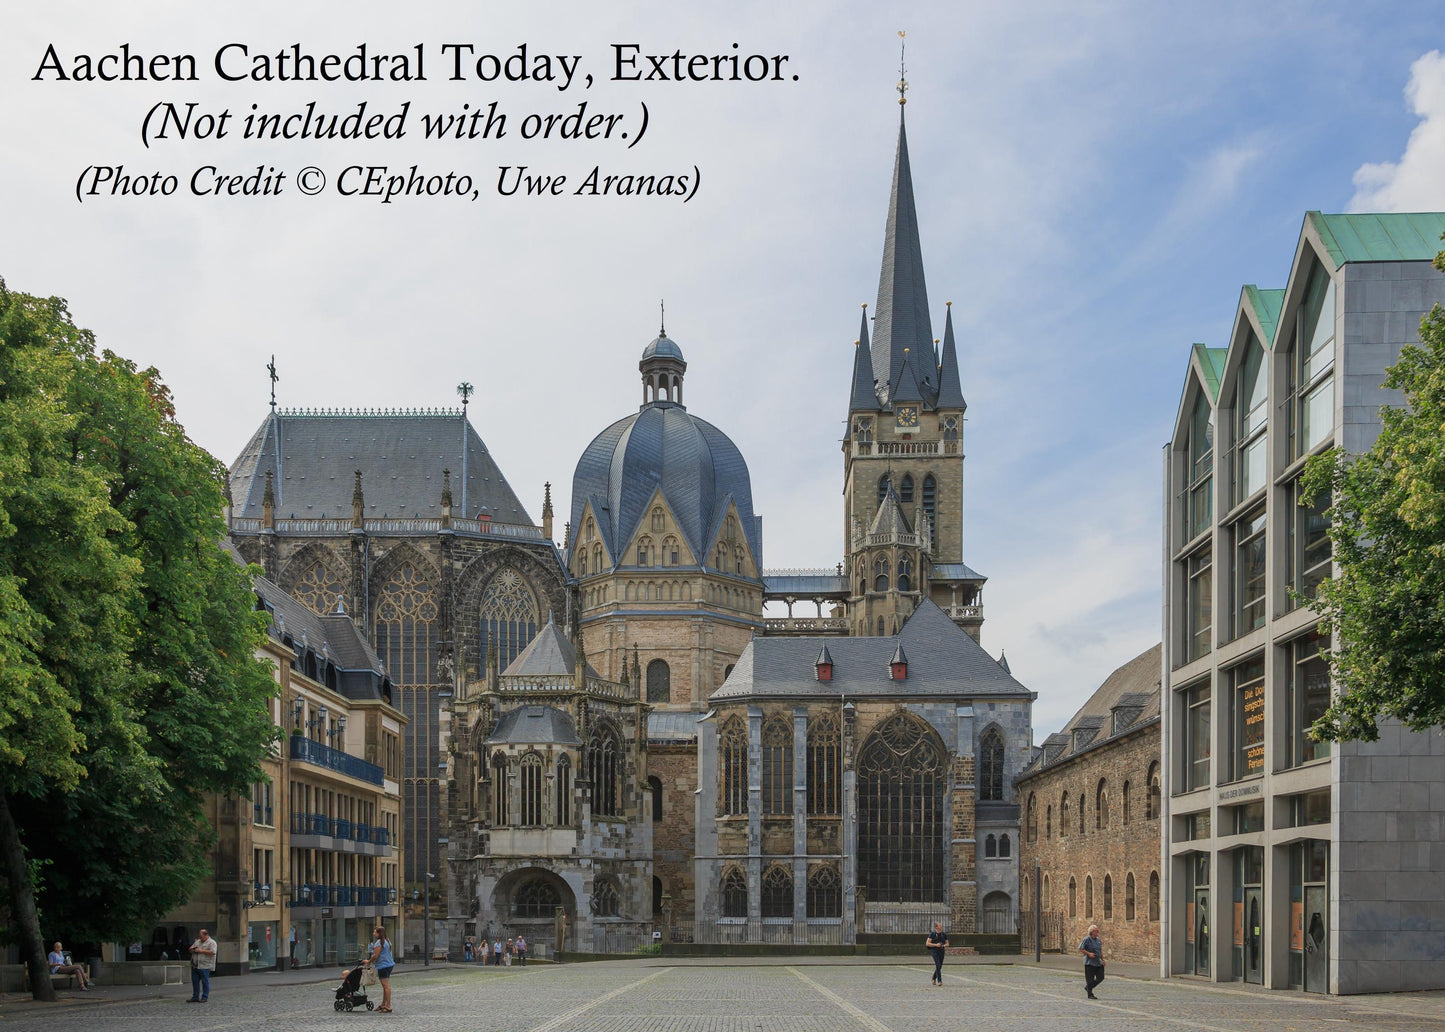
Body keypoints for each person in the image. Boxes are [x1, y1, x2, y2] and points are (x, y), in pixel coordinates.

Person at [367, 926, 395, 1013]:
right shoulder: (387, 941)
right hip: (389, 964)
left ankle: (388, 1005)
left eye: (375, 932)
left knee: (386, 985)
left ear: (379, 934)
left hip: (383, 965)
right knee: (385, 985)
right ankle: (383, 1004)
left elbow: (376, 955)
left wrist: (368, 961)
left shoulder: (379, 943)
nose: (373, 933)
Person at [187, 929, 217, 1002]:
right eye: (199, 936)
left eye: (201, 936)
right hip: (195, 965)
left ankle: (204, 997)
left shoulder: (212, 942)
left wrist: (201, 951)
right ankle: (195, 997)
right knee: (195, 982)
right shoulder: (198, 942)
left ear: (206, 935)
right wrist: (192, 949)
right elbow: (191, 948)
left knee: (205, 982)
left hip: (205, 965)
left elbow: (213, 952)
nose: (200, 938)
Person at [1079, 924, 1105, 999]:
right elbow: (1081, 948)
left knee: (1101, 977)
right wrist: (1089, 953)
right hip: (1089, 963)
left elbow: (1100, 950)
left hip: (1098, 962)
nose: (1098, 932)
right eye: (1096, 931)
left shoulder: (1098, 940)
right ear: (1092, 932)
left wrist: (1103, 960)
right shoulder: (1086, 939)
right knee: (1090, 979)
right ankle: (1090, 994)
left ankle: (1088, 987)